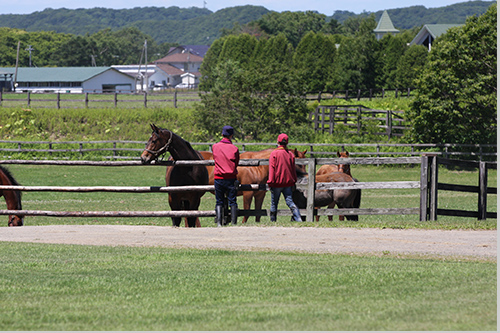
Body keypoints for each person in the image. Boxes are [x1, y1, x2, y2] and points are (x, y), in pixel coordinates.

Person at [267, 133, 302, 222]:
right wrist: (294, 180)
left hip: (276, 184)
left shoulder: (274, 153)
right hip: (288, 183)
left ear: (278, 141)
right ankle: (298, 219)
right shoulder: (290, 154)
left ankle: (273, 221)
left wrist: (270, 182)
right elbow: (293, 169)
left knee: (274, 203)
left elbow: (272, 169)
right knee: (290, 202)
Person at [212, 125, 240, 226]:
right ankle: (233, 223)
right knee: (232, 201)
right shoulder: (234, 148)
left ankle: (219, 222)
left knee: (219, 201)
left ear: (222, 134)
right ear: (231, 135)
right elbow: (236, 162)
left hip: (219, 177)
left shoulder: (215, 147)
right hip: (231, 178)